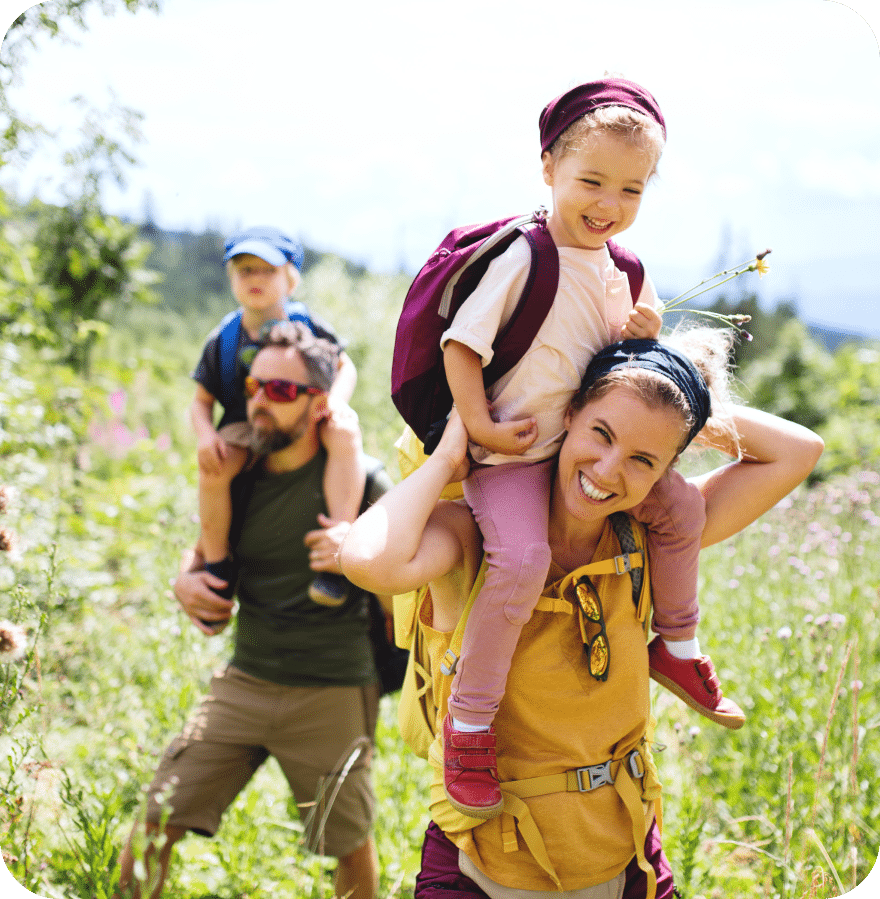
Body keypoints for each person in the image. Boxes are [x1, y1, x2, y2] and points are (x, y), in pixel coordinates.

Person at [340, 331, 824, 898]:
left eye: (644, 459)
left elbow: (800, 450)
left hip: (626, 862)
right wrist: (452, 452)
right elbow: (368, 560)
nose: (609, 469)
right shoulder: (473, 536)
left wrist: (671, 392)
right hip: (480, 865)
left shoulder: (652, 539)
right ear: (566, 414)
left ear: (665, 471)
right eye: (601, 432)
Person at [432, 77, 740, 818]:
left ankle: (678, 641)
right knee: (523, 559)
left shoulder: (622, 269)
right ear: (548, 168)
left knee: (678, 510)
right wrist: (477, 427)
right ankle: (469, 724)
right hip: (512, 453)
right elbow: (461, 345)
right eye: (591, 181)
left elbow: (623, 361)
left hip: (579, 446)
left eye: (630, 190)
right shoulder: (524, 256)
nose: (609, 204)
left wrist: (639, 332)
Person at [118, 322, 393, 899]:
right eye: (254, 385)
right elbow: (200, 559)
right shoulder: (237, 475)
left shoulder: (364, 483)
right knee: (153, 822)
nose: (260, 401)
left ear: (320, 404)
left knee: (348, 844)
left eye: (282, 391)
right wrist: (183, 584)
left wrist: (362, 563)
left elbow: (405, 594)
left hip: (333, 688)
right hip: (244, 681)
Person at [191, 225, 363, 608]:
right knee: (214, 469)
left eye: (267, 270)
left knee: (345, 435)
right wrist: (206, 436)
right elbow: (201, 401)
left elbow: (344, 365)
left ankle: (336, 545)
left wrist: (335, 401)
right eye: (244, 270)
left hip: (304, 418)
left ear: (291, 278)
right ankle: (218, 565)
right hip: (245, 423)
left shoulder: (309, 326)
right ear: (231, 278)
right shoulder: (224, 338)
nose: (255, 279)